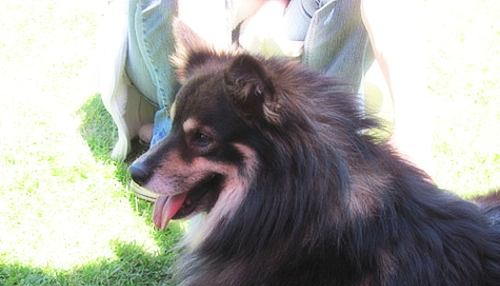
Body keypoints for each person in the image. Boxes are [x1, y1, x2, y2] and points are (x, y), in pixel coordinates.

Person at [99, 0, 432, 185]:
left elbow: (389, 11)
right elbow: (198, 13)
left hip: (269, 47)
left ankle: (327, 152)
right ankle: (171, 123)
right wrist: (222, 82)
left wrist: (413, 132)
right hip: (184, 44)